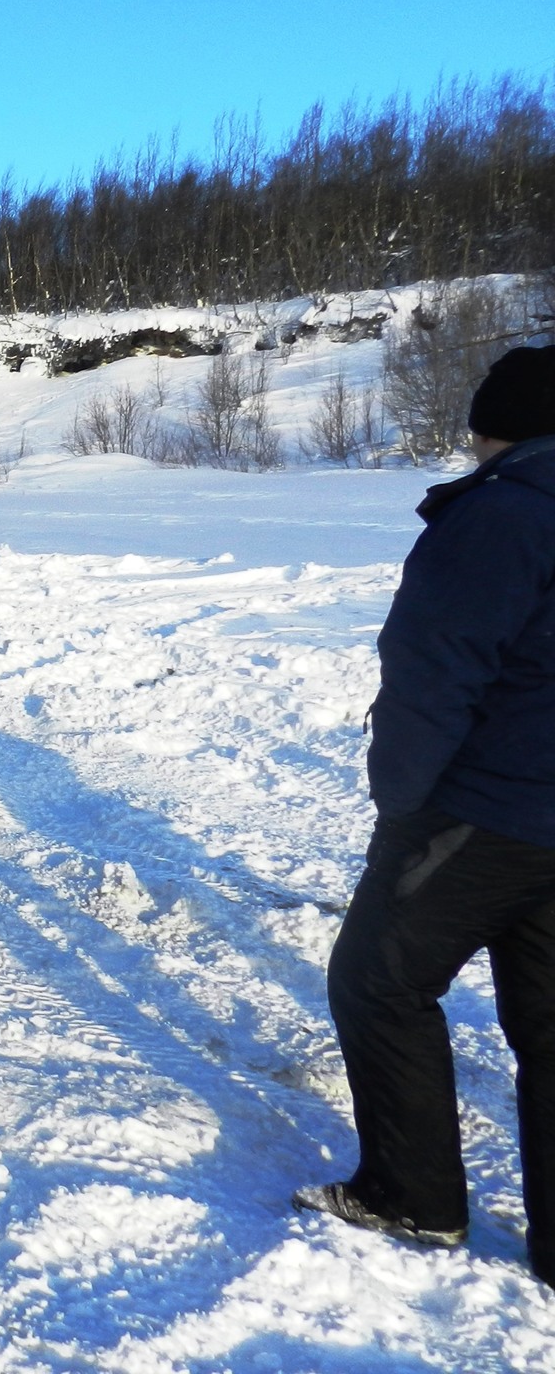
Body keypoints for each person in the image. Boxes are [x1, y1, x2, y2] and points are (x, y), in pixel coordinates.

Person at [297, 344, 555, 1284]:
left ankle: (413, 1196)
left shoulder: (503, 516)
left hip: (486, 808)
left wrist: (401, 806)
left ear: (502, 428)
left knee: (377, 978)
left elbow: (433, 675)